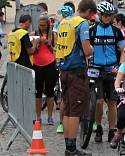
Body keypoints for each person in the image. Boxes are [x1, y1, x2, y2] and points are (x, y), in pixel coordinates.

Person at [55, 0, 97, 156]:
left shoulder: (64, 21)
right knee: (76, 112)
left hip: (64, 69)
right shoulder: (81, 23)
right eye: (92, 14)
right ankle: (72, 149)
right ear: (88, 11)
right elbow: (86, 50)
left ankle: (68, 145)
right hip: (77, 70)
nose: (92, 17)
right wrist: (92, 49)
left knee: (68, 110)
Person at [90, 1, 125, 144]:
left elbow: (123, 51)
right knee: (98, 102)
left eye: (111, 16)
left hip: (111, 69)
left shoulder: (117, 31)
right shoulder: (92, 31)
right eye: (106, 16)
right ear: (100, 15)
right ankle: (98, 127)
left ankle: (112, 130)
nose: (109, 18)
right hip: (96, 70)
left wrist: (121, 65)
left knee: (112, 102)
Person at [33, 13, 58, 124]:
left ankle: (50, 116)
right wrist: (37, 44)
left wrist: (49, 44)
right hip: (37, 65)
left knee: (50, 92)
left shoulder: (53, 35)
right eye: (40, 25)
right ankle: (38, 116)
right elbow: (31, 50)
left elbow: (56, 50)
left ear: (48, 25)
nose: (41, 27)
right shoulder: (34, 34)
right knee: (38, 92)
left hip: (50, 64)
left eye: (43, 25)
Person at [54, 3, 75, 134]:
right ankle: (66, 122)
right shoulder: (72, 23)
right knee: (68, 96)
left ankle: (62, 123)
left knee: (64, 96)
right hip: (70, 62)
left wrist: (58, 58)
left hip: (62, 61)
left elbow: (57, 44)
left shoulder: (59, 24)